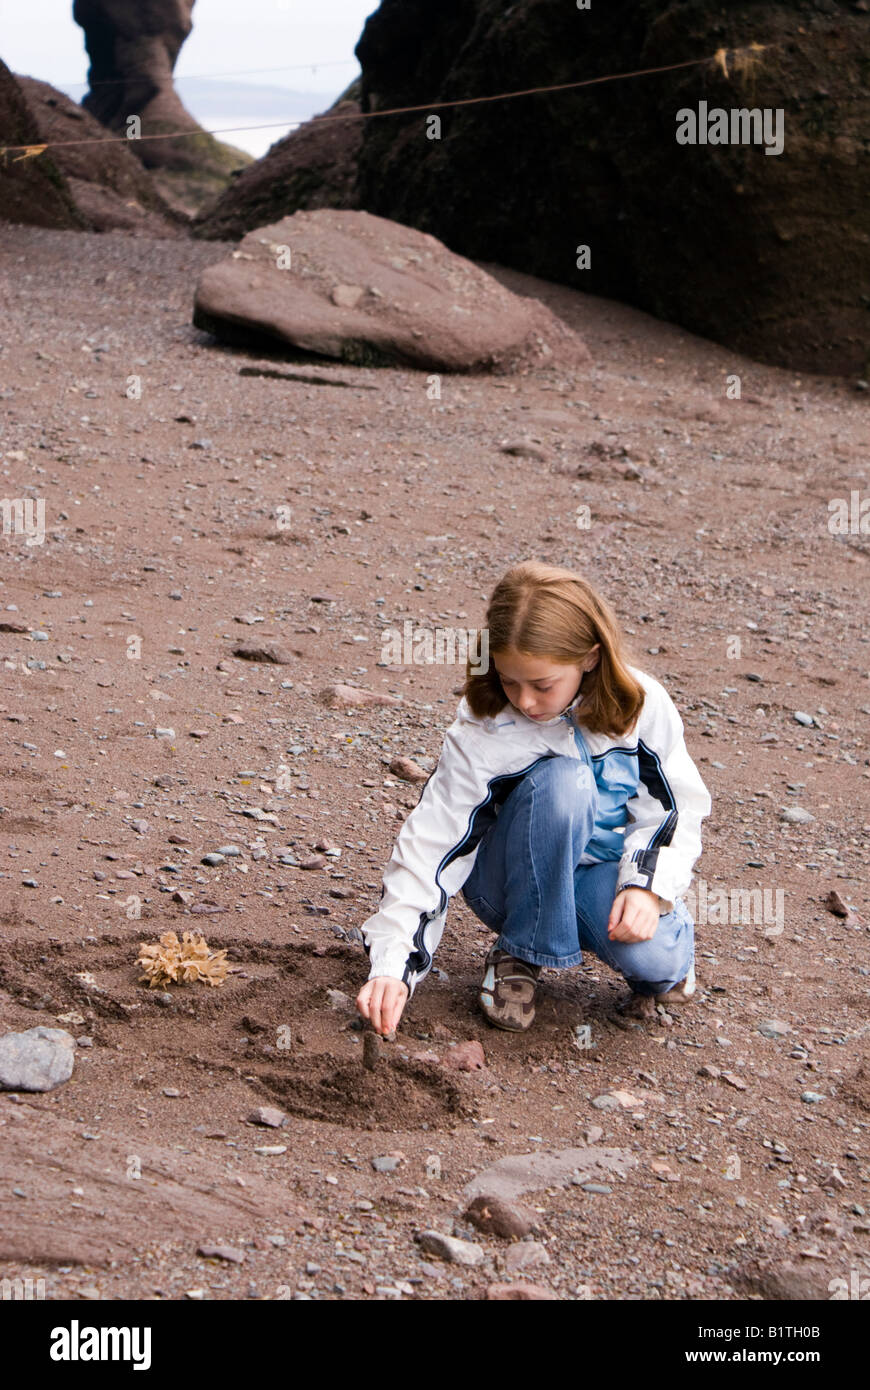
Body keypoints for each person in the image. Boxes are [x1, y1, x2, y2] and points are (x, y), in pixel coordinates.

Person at [355, 560, 712, 1037]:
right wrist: (393, 965)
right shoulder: (487, 725)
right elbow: (433, 841)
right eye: (509, 680)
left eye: (542, 685)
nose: (524, 702)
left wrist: (647, 886)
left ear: (589, 657)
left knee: (657, 963)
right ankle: (519, 952)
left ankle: (644, 934)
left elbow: (673, 809)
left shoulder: (641, 706)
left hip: (598, 874)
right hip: (508, 879)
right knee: (567, 784)